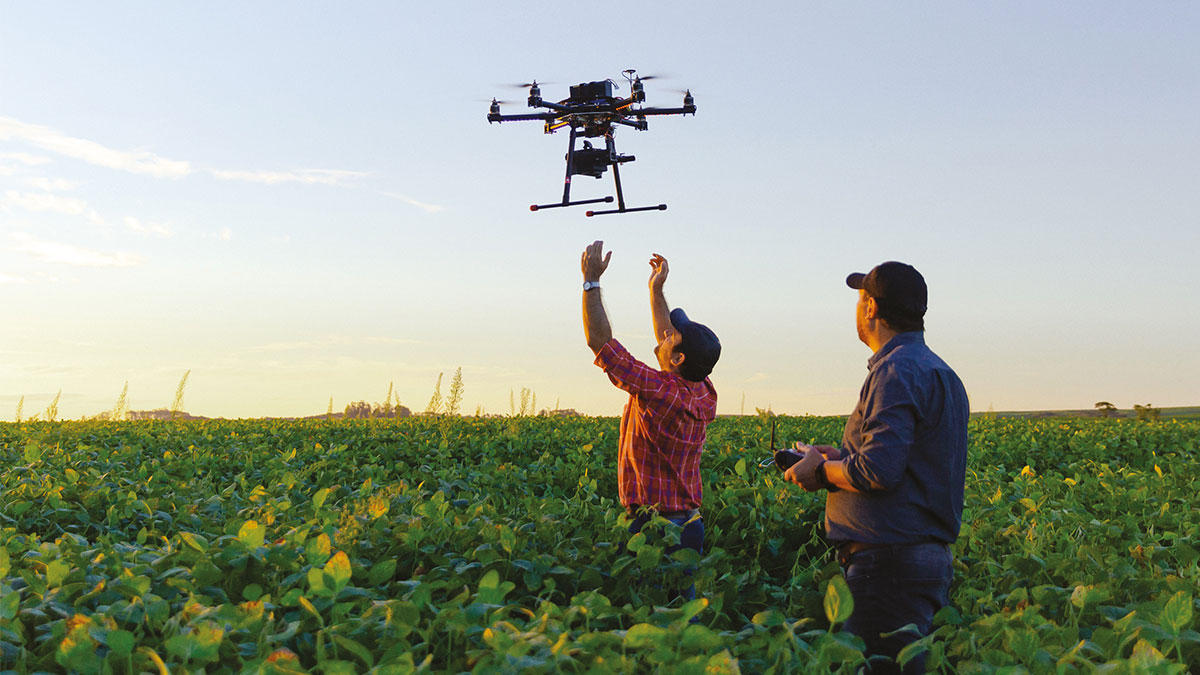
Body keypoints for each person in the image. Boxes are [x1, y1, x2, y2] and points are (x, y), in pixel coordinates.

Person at [784, 261, 969, 674]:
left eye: (860, 298)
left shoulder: (895, 369)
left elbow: (877, 471)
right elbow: (905, 460)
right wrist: (837, 457)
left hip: (889, 564)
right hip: (918, 559)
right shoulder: (941, 372)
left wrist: (819, 471)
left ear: (871, 308)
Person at [580, 240, 720, 601]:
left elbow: (600, 342)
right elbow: (666, 344)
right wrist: (656, 290)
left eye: (672, 336)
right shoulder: (703, 390)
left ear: (678, 359)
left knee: (651, 617)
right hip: (689, 524)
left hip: (656, 527)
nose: (665, 335)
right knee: (680, 620)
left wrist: (591, 282)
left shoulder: (659, 391)